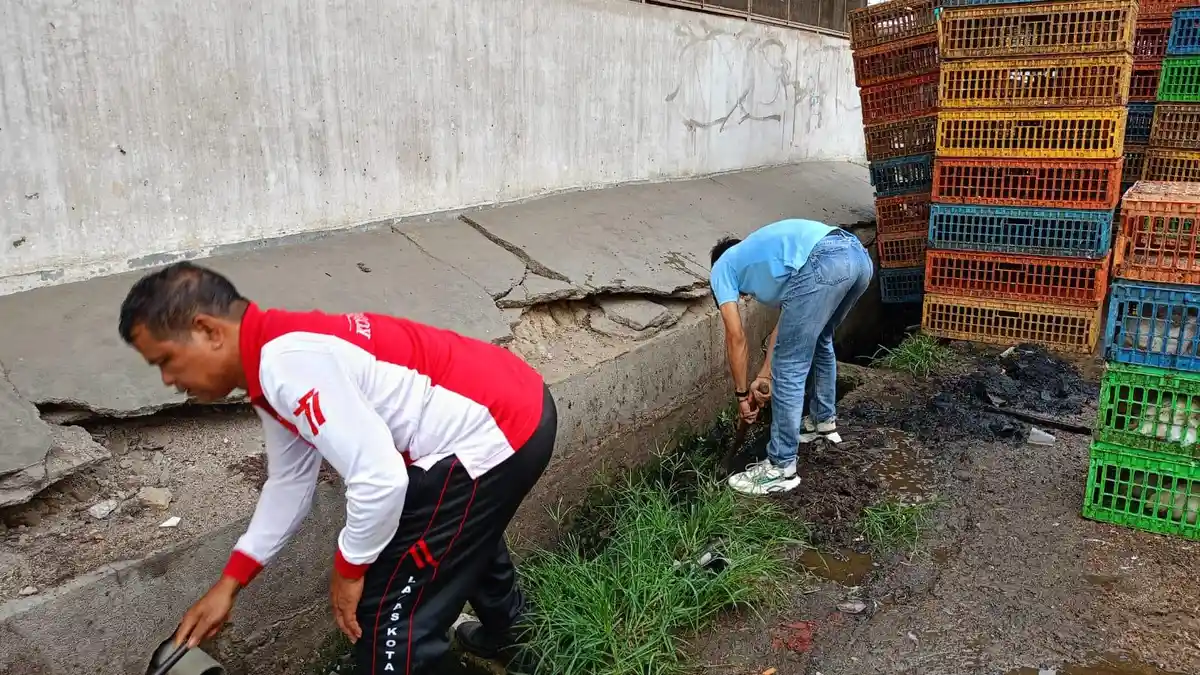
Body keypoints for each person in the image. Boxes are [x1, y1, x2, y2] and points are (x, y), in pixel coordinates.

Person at [117, 261, 555, 674]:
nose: (168, 380)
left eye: (165, 361)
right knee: (457, 531)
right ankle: (516, 638)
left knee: (386, 617)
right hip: (516, 405)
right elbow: (290, 482)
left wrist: (349, 570)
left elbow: (380, 478)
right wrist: (230, 583)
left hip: (495, 432)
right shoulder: (273, 355)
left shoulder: (288, 365)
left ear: (208, 330)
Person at [709, 219, 873, 495]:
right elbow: (788, 325)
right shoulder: (772, 258)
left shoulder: (722, 267)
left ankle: (781, 466)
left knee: (789, 365)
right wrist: (764, 375)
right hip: (857, 257)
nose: (744, 296)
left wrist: (741, 395)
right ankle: (822, 423)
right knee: (820, 339)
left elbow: (736, 336)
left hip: (825, 260)